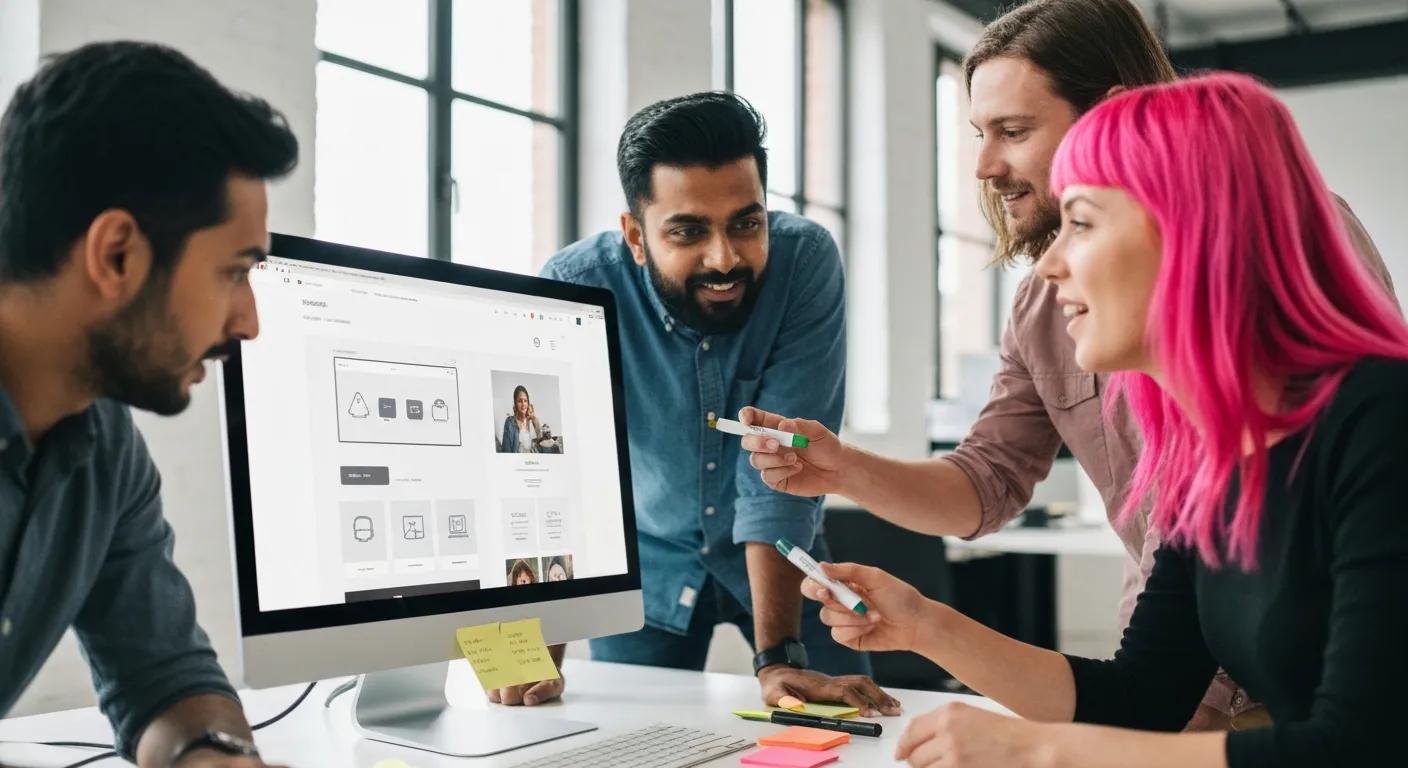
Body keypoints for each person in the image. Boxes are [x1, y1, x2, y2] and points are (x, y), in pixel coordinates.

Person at [741, 0, 1394, 731]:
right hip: (1193, 683)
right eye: (980, 133)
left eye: (1014, 131)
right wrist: (919, 613)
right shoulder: (1189, 451)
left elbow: (1351, 736)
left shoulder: (1366, 415)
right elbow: (1140, 688)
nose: (986, 166)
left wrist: (1046, 750)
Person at [482, 91, 900, 716]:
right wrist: (531, 638)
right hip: (648, 563)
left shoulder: (805, 262)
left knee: (852, 729)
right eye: (688, 231)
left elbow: (781, 473)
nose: (724, 258)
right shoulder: (573, 286)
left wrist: (778, 657)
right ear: (636, 236)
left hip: (788, 553)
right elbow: (549, 473)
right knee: (630, 741)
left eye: (745, 223)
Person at [0, 42, 297, 766]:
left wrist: (210, 755)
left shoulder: (103, 445)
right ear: (117, 256)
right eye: (234, 272)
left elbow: (164, 679)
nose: (249, 321)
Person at [501, 384, 541, 453]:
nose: (523, 404)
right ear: (515, 404)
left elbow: (542, 443)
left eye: (525, 401)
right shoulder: (510, 422)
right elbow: (506, 450)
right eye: (520, 401)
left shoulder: (532, 421)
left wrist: (535, 420)